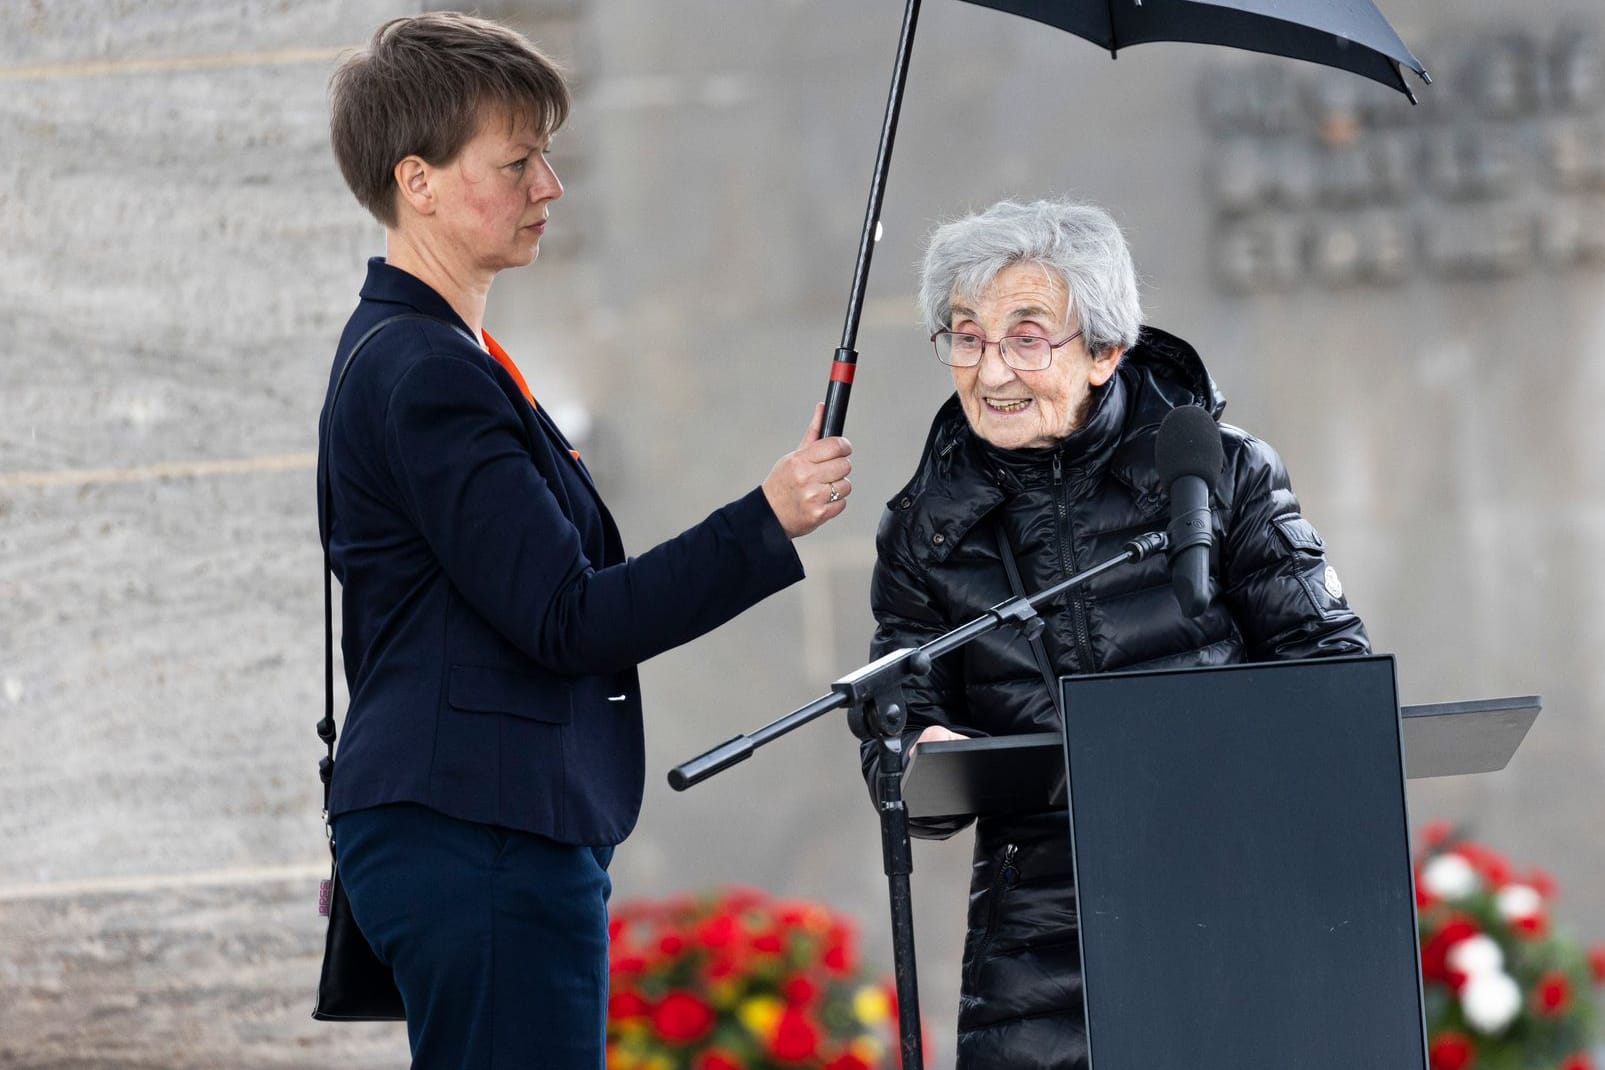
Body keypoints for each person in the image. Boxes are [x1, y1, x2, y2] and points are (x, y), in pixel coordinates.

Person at [316, 13, 853, 1069]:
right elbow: (569, 614)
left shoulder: (427, 351)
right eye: (516, 162)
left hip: (468, 824)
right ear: (416, 181)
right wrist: (766, 517)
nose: (549, 187)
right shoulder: (428, 371)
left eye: (546, 158)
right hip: (484, 834)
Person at [862, 198, 1369, 1069]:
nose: (990, 372)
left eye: (1026, 337)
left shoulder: (1216, 471)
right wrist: (913, 746)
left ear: (1105, 351)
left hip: (1232, 889)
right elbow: (893, 714)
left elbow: (1329, 668)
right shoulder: (925, 527)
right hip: (1039, 935)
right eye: (965, 336)